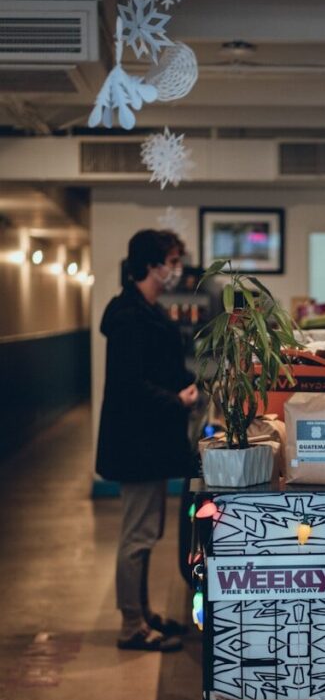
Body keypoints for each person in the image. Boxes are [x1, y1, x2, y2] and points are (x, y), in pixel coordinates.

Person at [96, 229, 199, 651]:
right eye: (171, 260)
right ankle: (132, 626)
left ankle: (142, 612)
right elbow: (129, 385)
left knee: (146, 531)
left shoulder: (146, 310)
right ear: (150, 265)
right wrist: (177, 399)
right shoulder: (129, 317)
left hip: (148, 441)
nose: (175, 269)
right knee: (137, 535)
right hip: (136, 441)